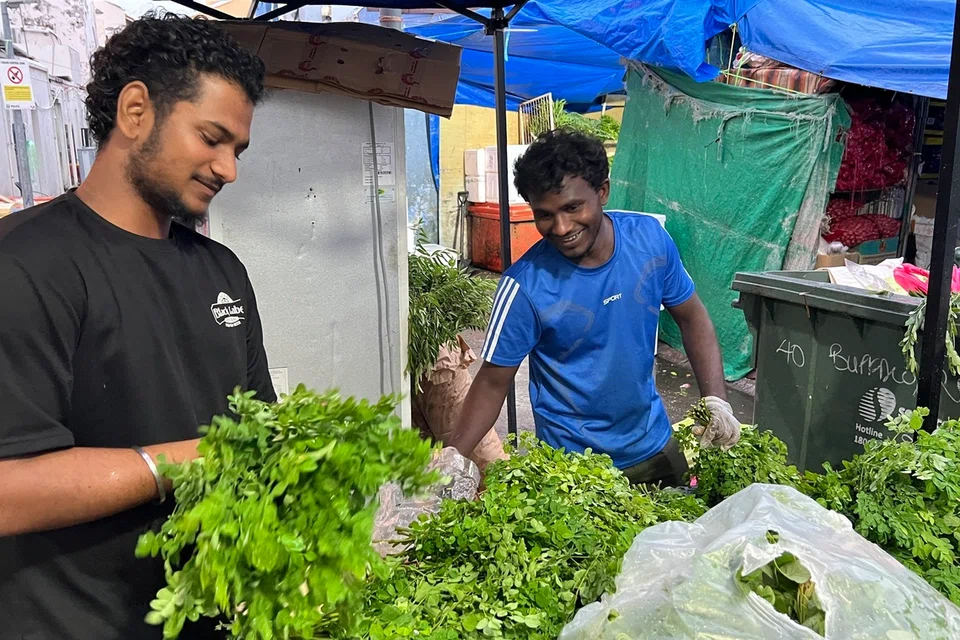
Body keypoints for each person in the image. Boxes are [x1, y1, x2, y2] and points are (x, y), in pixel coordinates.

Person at [0, 14, 274, 639]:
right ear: (135, 112)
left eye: (237, 150)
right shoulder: (24, 265)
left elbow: (260, 435)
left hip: (208, 619)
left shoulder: (222, 272)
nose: (228, 169)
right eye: (212, 138)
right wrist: (190, 459)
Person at [449, 129, 739, 486]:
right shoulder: (524, 286)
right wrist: (453, 457)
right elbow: (492, 383)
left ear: (602, 191)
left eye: (573, 207)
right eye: (544, 214)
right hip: (573, 472)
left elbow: (693, 318)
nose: (561, 227)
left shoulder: (649, 241)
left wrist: (716, 400)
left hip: (654, 445)